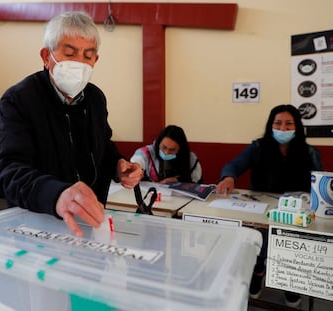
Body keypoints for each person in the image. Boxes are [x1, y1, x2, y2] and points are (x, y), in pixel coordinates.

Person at [0, 11, 143, 237]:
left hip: (90, 221)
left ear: (95, 60)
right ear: (46, 56)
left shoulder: (95, 99)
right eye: (70, 53)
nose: (79, 63)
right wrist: (57, 194)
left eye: (88, 56)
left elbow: (103, 145)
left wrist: (118, 165)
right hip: (38, 224)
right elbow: (6, 169)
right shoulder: (20, 99)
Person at [216, 104, 323, 308]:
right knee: (260, 247)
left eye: (289, 124)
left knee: (290, 252)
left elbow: (319, 181)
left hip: (295, 214)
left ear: (297, 127)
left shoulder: (309, 152)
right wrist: (229, 176)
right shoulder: (257, 147)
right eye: (278, 123)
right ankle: (258, 272)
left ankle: (290, 283)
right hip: (262, 213)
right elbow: (234, 165)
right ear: (270, 125)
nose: (283, 129)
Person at [131, 125, 203, 184]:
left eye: (172, 150)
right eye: (164, 147)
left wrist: (176, 180)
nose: (166, 152)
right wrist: (135, 172)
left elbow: (196, 181)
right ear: (159, 142)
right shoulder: (144, 153)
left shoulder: (190, 158)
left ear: (180, 149)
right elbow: (134, 166)